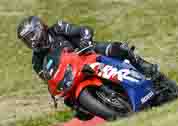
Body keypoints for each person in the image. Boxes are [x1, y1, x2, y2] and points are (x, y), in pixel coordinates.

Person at [17, 16, 159, 81]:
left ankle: (147, 69)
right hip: (72, 76)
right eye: (26, 40)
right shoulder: (36, 61)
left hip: (88, 53)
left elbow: (83, 29)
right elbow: (48, 79)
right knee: (71, 104)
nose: (31, 41)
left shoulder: (58, 28)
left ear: (40, 28)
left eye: (31, 35)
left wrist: (85, 40)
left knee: (120, 49)